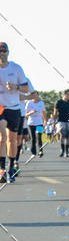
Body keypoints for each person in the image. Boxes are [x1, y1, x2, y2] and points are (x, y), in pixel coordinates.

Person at [0, 43, 32, 183]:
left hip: (14, 108)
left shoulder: (16, 68)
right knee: (2, 137)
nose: (2, 53)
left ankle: (11, 167)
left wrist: (15, 86)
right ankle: (1, 169)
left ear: (8, 52)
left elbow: (26, 88)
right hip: (1, 108)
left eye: (4, 51)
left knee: (12, 140)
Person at [25, 91, 46, 157]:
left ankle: (40, 151)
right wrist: (31, 112)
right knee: (33, 138)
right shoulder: (29, 103)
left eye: (36, 95)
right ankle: (33, 152)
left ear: (38, 96)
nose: (35, 97)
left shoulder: (41, 103)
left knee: (39, 137)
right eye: (33, 95)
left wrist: (45, 120)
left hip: (39, 122)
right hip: (31, 123)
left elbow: (43, 112)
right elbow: (25, 114)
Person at [54, 89, 69, 158]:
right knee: (62, 134)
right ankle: (62, 150)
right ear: (64, 94)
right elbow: (55, 113)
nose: (68, 96)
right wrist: (54, 122)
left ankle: (67, 151)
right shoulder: (59, 102)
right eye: (67, 94)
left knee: (68, 135)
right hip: (61, 121)